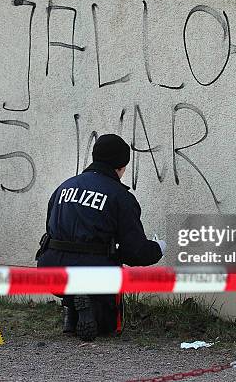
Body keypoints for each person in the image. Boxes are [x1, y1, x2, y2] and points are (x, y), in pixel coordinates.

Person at [36, 134, 166, 341]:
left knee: (76, 255)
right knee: (107, 326)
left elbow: (51, 230)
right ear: (121, 166)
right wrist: (158, 248)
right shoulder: (119, 196)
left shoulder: (63, 187)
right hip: (93, 272)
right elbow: (135, 252)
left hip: (51, 269)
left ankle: (72, 309)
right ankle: (91, 310)